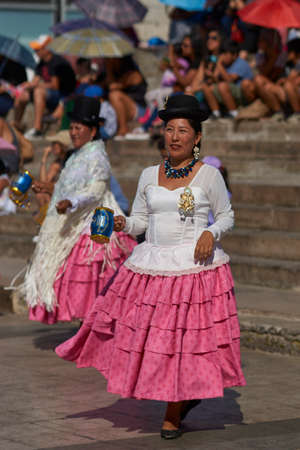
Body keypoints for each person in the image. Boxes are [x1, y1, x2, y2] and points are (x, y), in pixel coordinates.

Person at [55, 95, 246, 439]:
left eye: (182, 131)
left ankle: (173, 411)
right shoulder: (148, 175)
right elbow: (141, 221)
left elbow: (228, 215)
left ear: (197, 137)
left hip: (194, 268)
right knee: (160, 341)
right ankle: (181, 396)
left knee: (186, 343)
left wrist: (210, 231)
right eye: (169, 129)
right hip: (155, 264)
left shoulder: (209, 176)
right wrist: (121, 224)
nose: (174, 136)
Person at [21, 96, 136, 324]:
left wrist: (70, 202)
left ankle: (96, 328)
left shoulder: (97, 155)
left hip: (96, 223)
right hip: (75, 222)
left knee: (95, 279)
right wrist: (50, 187)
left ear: (92, 131)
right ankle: (89, 329)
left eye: (78, 128)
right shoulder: (76, 155)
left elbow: (95, 190)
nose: (73, 132)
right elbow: (70, 186)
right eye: (71, 127)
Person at [14, 35, 76, 139]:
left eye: (38, 49)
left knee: (38, 91)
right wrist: (27, 85)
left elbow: (55, 86)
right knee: (23, 95)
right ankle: (16, 126)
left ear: (47, 48)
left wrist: (35, 85)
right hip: (50, 93)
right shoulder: (42, 63)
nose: (35, 51)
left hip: (62, 95)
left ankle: (37, 129)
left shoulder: (57, 61)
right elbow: (36, 80)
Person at [203, 40, 254, 119]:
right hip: (229, 91)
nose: (223, 57)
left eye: (226, 54)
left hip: (243, 92)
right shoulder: (225, 65)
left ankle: (233, 113)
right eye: (222, 54)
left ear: (234, 55)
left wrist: (219, 64)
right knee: (207, 87)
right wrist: (212, 74)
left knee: (222, 86)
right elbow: (216, 79)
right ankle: (216, 113)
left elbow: (230, 80)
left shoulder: (240, 63)